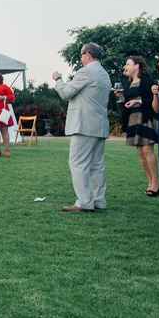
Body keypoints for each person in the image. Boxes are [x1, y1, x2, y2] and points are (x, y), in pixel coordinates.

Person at [53, 42, 112, 213]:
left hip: (84, 125)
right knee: (97, 165)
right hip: (99, 125)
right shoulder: (104, 74)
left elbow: (65, 93)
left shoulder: (86, 71)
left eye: (81, 54)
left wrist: (58, 80)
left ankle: (84, 202)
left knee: (78, 163)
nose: (80, 58)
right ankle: (99, 200)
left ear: (88, 54)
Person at [115, 56, 159, 196]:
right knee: (141, 154)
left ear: (137, 66)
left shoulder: (146, 80)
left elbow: (151, 100)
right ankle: (150, 182)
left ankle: (155, 184)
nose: (125, 67)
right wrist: (121, 99)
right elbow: (126, 105)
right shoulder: (127, 83)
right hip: (133, 119)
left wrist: (137, 102)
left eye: (128, 64)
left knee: (147, 151)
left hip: (145, 117)